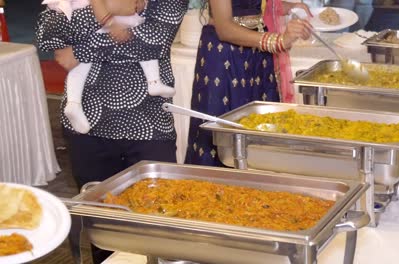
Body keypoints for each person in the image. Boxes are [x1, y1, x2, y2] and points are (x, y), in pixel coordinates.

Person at [36, 0, 187, 263]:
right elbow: (49, 34)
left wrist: (79, 51)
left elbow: (152, 41)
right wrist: (113, 9)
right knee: (102, 229)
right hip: (87, 125)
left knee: (158, 221)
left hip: (149, 127)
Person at [184, 0, 313, 167]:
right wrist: (278, 41)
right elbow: (225, 29)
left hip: (257, 52)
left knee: (261, 133)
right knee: (223, 139)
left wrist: (288, 8)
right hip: (226, 55)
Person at [41, 0, 175, 134]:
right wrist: (111, 11)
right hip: (90, 116)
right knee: (82, 64)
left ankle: (154, 81)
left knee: (82, 62)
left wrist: (78, 52)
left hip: (149, 123)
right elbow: (46, 35)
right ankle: (73, 103)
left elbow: (156, 41)